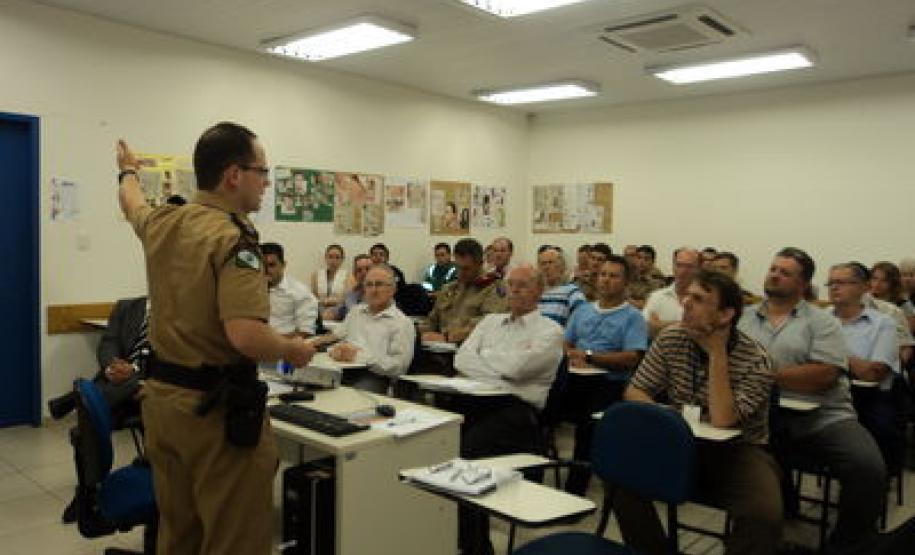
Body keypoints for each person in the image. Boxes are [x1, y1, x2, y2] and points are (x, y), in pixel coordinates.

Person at [116, 123, 315, 554]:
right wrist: (293, 349)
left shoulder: (164, 221)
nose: (266, 183)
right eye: (262, 172)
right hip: (215, 416)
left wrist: (127, 171)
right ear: (234, 175)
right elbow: (246, 336)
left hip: (162, 404)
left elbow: (132, 204)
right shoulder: (233, 239)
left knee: (179, 534)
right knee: (234, 539)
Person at [618, 269, 782, 555]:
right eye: (687, 296)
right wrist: (669, 420)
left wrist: (717, 353)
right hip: (680, 439)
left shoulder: (757, 360)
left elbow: (723, 419)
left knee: (764, 515)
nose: (686, 303)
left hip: (738, 450)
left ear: (725, 315)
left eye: (698, 299)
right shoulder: (672, 338)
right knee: (620, 477)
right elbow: (635, 391)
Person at [738, 247, 885, 550]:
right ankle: (775, 526)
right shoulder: (743, 318)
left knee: (867, 467)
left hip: (824, 417)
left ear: (803, 284)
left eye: (785, 272)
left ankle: (846, 545)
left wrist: (761, 374)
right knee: (748, 463)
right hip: (760, 417)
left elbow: (824, 375)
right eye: (773, 269)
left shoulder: (822, 322)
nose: (775, 275)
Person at [453, 264, 564, 555]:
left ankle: (476, 548)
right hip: (476, 400)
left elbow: (518, 368)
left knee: (466, 459)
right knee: (439, 445)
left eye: (522, 285)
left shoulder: (550, 331)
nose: (514, 290)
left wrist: (485, 358)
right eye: (510, 285)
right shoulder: (490, 321)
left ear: (539, 291)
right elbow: (461, 359)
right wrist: (501, 369)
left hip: (517, 413)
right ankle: (466, 540)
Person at [563, 255, 648, 494]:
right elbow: (566, 343)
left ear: (626, 283)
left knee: (587, 426)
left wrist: (590, 357)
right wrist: (572, 357)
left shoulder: (633, 317)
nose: (606, 280)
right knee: (536, 405)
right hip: (574, 377)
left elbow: (632, 357)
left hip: (608, 382)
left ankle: (574, 490)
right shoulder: (582, 311)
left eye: (613, 276)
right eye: (602, 275)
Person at [829, 263, 903, 472]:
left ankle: (876, 476)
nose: (834, 287)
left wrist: (832, 354)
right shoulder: (820, 319)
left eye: (842, 282)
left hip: (867, 398)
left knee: (882, 427)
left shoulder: (883, 323)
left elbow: (872, 374)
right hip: (824, 392)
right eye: (831, 283)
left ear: (863, 287)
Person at [329, 264, 415, 393]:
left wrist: (359, 357)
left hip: (375, 376)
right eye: (369, 285)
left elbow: (399, 367)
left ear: (392, 289)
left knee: (353, 395)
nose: (373, 290)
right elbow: (339, 338)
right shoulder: (356, 312)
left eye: (379, 284)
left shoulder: (402, 323)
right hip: (341, 368)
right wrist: (335, 350)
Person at [420, 238, 507, 345]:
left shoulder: (494, 288)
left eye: (466, 269)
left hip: (472, 349)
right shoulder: (449, 289)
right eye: (457, 267)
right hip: (440, 347)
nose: (460, 273)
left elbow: (487, 325)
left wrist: (447, 338)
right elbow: (432, 321)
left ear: (480, 264)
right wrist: (414, 332)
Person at [262, 242, 319, 337]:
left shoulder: (299, 291)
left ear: (283, 265)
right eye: (262, 265)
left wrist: (272, 341)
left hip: (286, 342)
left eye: (271, 265)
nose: (266, 270)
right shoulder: (251, 290)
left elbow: (305, 331)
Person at [643, 247, 700, 337]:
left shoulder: (704, 300)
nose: (683, 271)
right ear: (673, 267)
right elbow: (646, 328)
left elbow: (704, 330)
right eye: (679, 265)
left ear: (698, 269)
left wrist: (660, 325)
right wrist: (686, 325)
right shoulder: (657, 297)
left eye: (689, 266)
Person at [536, 245, 587, 327]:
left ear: (562, 267)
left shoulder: (573, 293)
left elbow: (582, 323)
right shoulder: (535, 293)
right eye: (543, 263)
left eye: (550, 262)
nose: (546, 267)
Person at [324, 254, 373, 322]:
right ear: (355, 275)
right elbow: (341, 310)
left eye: (368, 269)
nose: (364, 273)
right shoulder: (351, 294)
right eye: (359, 270)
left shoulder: (382, 294)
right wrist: (329, 313)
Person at [310, 244, 348, 309]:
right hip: (319, 308)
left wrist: (335, 302)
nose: (333, 261)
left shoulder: (348, 276)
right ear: (326, 258)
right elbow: (313, 296)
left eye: (337, 257)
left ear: (342, 259)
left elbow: (347, 298)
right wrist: (323, 303)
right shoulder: (316, 275)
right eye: (330, 257)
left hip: (339, 309)